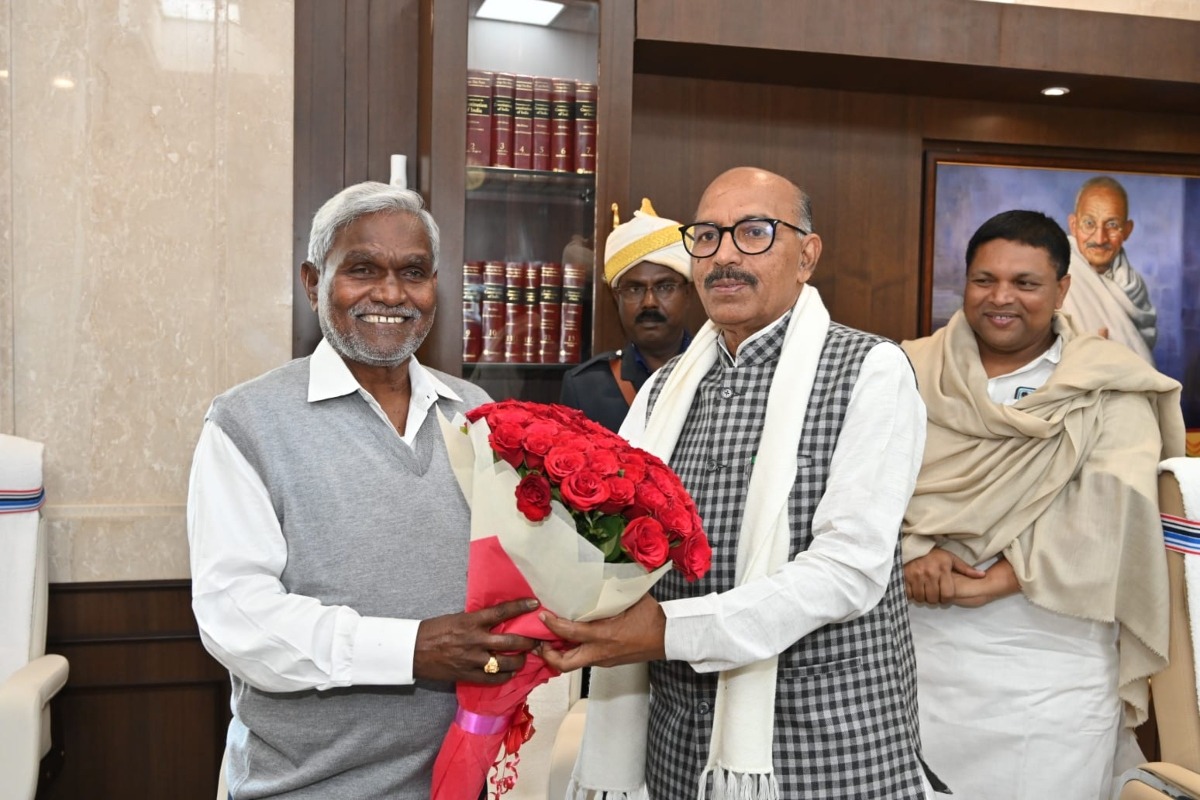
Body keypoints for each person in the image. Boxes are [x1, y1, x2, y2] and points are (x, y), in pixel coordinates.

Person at [540, 167, 940, 798]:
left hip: (826, 746)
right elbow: (612, 545)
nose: (724, 255)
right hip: (678, 747)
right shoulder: (665, 390)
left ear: (807, 255)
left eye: (754, 232)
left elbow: (848, 570)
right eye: (707, 236)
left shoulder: (869, 370)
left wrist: (666, 631)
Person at [187, 182, 539, 799]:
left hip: (460, 780)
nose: (391, 294)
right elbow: (236, 618)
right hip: (300, 788)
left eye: (413, 272)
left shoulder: (477, 413)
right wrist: (411, 649)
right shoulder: (246, 422)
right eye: (362, 269)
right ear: (312, 283)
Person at [901, 210, 1185, 800]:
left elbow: (1114, 515)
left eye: (1025, 283)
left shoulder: (1111, 384)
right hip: (917, 657)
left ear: (1061, 289)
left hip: (1051, 668)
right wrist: (911, 553)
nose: (1001, 298)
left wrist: (992, 581)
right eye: (984, 280)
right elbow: (862, 489)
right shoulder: (906, 371)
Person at [559, 198, 694, 432]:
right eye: (634, 289)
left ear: (688, 293)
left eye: (664, 287)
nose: (649, 302)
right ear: (616, 297)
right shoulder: (585, 387)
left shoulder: (718, 373)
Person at [1061, 175, 1158, 363]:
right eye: (1089, 223)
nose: (1100, 239)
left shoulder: (1133, 285)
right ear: (1073, 225)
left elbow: (1141, 351)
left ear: (1127, 230)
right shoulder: (1056, 271)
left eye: (1112, 225)